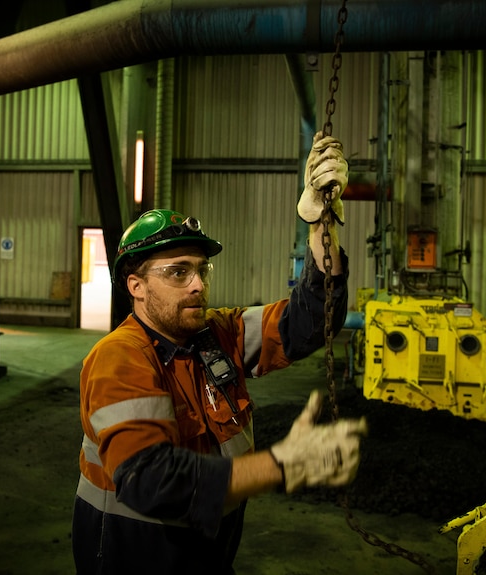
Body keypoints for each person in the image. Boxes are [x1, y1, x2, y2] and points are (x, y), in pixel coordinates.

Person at [72, 132, 367, 574]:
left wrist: (319, 222)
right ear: (136, 286)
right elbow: (152, 482)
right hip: (136, 560)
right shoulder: (119, 358)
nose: (197, 284)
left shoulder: (216, 334)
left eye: (201, 269)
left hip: (207, 554)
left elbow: (308, 324)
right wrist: (282, 465)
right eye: (178, 272)